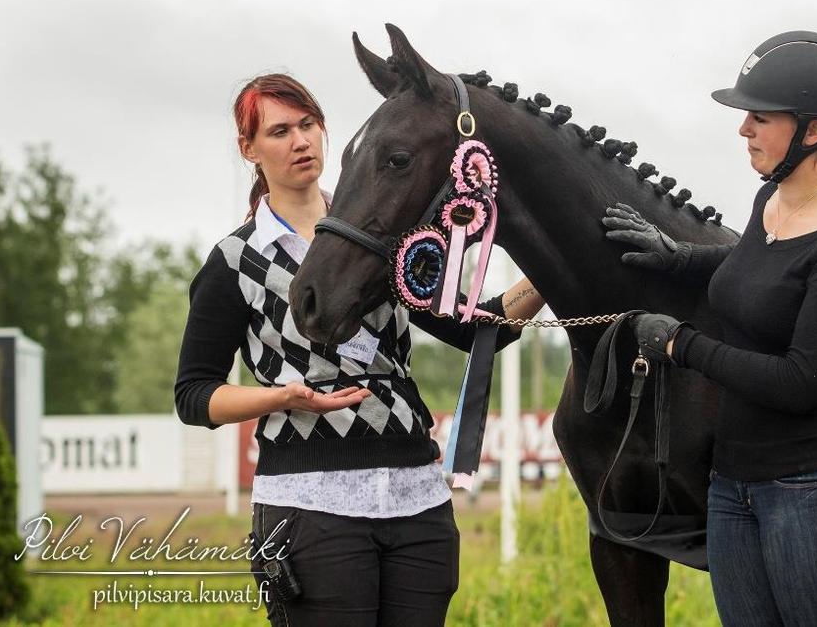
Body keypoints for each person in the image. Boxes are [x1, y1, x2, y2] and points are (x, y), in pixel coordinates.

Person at [174, 73, 544, 627]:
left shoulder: (387, 233)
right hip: (308, 507)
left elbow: (477, 328)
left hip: (418, 501)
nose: (301, 141)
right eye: (279, 131)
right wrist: (280, 399)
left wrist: (557, 271)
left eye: (308, 125)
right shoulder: (233, 262)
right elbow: (194, 395)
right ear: (248, 149)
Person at [603, 31, 817, 626]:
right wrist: (677, 256)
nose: (744, 130)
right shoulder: (770, 201)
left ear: (813, 132)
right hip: (734, 487)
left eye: (760, 117)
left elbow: (799, 381)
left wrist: (682, 344)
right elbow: (751, 268)